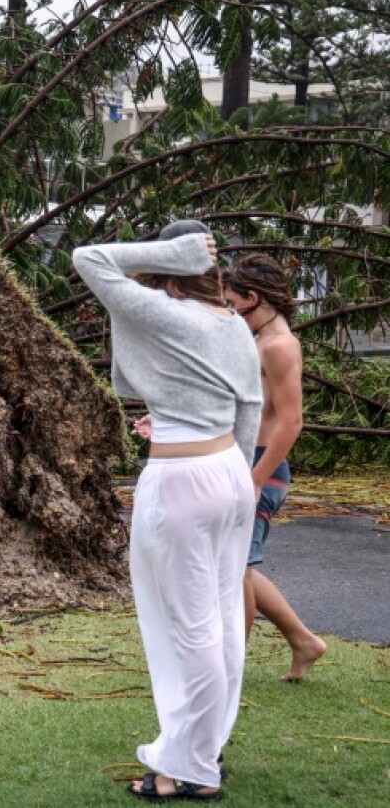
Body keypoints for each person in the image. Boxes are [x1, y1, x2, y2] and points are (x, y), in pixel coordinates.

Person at [73, 220, 262, 802]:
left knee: (189, 625)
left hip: (182, 482)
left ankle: (188, 767)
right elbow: (246, 408)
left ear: (170, 262)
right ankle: (207, 745)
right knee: (223, 620)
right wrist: (236, 479)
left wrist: (173, 253)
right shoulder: (231, 324)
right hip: (229, 470)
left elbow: (91, 257)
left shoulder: (166, 314)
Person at [224, 254, 328, 681]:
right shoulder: (260, 341)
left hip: (262, 465)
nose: (232, 314)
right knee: (236, 565)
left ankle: (229, 668)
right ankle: (304, 641)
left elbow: (291, 420)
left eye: (235, 305)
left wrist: (255, 477)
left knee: (235, 570)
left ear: (255, 298)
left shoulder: (279, 345)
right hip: (245, 459)